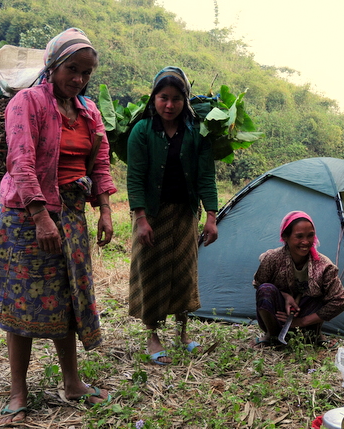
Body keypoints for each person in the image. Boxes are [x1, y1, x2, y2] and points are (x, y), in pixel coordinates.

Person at [0, 28, 116, 424]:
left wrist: (106, 209)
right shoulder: (28, 103)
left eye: (85, 73)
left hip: (73, 215)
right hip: (25, 220)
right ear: (52, 65)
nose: (78, 79)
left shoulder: (88, 110)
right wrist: (41, 216)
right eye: (71, 69)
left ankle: (73, 382)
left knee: (67, 300)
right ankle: (18, 391)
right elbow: (21, 161)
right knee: (23, 302)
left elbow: (100, 160)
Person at [127, 66, 218, 365]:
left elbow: (206, 175)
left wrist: (211, 217)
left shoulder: (195, 132)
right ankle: (152, 335)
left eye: (176, 98)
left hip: (185, 213)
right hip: (152, 214)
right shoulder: (142, 131)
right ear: (154, 98)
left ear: (185, 100)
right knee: (151, 272)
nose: (169, 105)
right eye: (163, 97)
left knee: (184, 272)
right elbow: (135, 177)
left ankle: (183, 333)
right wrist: (140, 219)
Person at [252, 211, 344, 347]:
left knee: (319, 295)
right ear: (285, 237)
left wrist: (301, 321)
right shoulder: (272, 259)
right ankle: (272, 335)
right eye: (299, 236)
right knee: (265, 289)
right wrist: (285, 296)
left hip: (307, 319)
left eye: (310, 235)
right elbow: (258, 283)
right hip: (279, 316)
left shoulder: (324, 265)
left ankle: (314, 335)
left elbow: (339, 300)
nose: (306, 242)